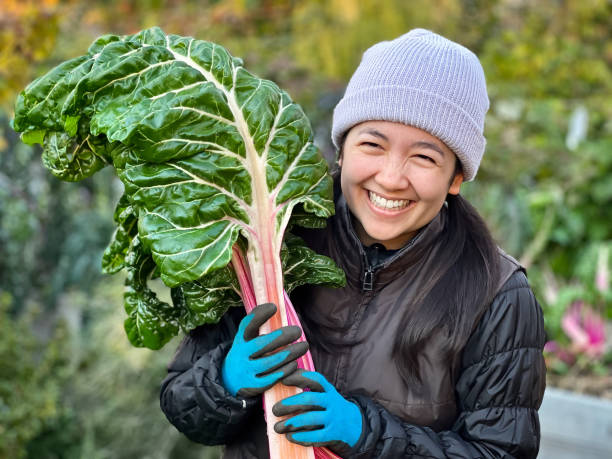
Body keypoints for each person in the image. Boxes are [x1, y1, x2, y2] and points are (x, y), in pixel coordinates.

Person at [159, 29, 547, 458]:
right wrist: (225, 383)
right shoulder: (266, 243)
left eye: (424, 157)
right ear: (342, 149)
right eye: (372, 145)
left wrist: (367, 434)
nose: (391, 177)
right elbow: (182, 406)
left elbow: (502, 452)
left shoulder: (497, 293)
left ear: (456, 178)